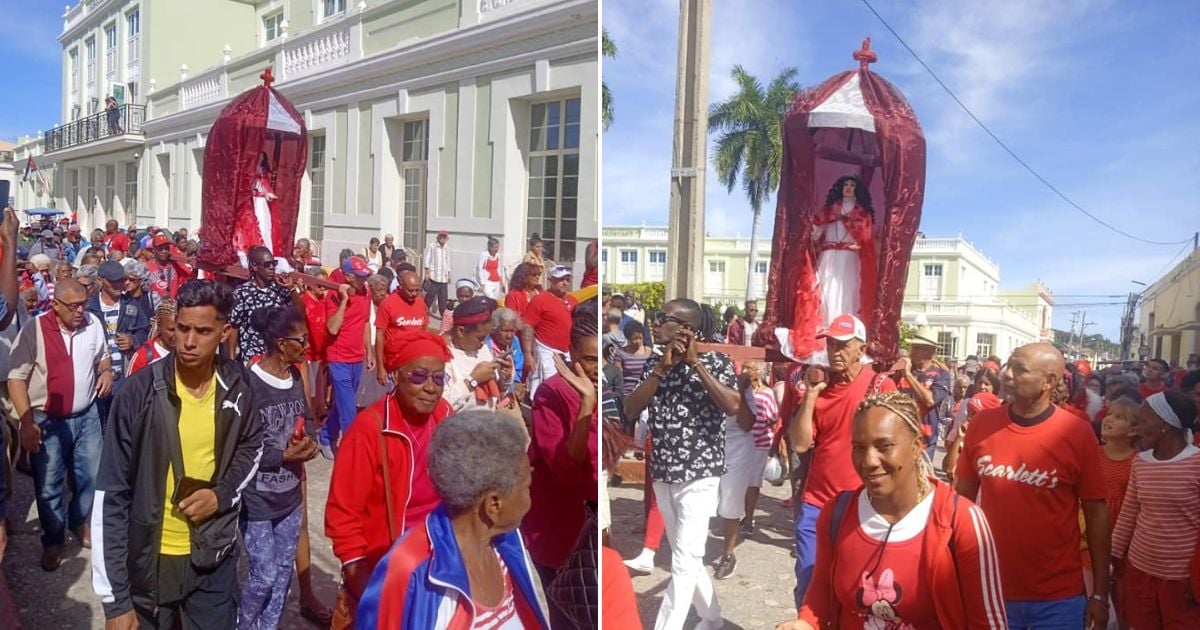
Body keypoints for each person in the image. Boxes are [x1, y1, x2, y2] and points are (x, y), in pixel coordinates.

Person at [92, 280, 263, 629]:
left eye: (202, 331)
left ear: (224, 332)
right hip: (152, 561)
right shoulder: (138, 394)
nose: (188, 341)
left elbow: (252, 445)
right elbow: (110, 496)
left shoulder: (238, 386)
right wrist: (115, 601)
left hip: (213, 557)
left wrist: (222, 494)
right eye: (183, 328)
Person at [776, 392, 1007, 630]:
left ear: (917, 446)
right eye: (859, 447)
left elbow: (987, 623)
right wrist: (806, 622)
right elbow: (822, 586)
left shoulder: (960, 521)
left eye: (884, 446)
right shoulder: (837, 514)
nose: (869, 461)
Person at [955, 342, 1110, 630]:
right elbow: (960, 502)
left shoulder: (1077, 433)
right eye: (1009, 365)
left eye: (1019, 369)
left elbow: (1096, 511)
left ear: (1049, 381)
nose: (1007, 375)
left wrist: (1100, 593)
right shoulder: (981, 425)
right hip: (991, 590)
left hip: (1058, 599)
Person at [355, 410, 551, 629]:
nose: (530, 496)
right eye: (526, 487)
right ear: (493, 505)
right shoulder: (409, 570)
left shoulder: (505, 544)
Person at [324, 329, 454, 627]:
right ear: (397, 376)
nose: (431, 388)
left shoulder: (445, 417)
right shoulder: (370, 429)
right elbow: (343, 514)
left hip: (436, 566)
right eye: (419, 377)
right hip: (385, 568)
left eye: (439, 378)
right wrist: (363, 581)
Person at [623, 298, 739, 630]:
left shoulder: (716, 361)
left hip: (701, 474)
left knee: (685, 559)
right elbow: (631, 407)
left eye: (663, 318)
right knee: (684, 556)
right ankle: (713, 618)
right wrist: (663, 368)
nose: (655, 323)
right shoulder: (655, 364)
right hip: (663, 472)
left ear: (686, 328)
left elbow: (733, 405)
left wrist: (695, 365)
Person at [789, 313, 897, 607]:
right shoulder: (820, 389)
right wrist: (811, 396)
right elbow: (800, 444)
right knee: (809, 581)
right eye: (832, 344)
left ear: (861, 349)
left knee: (856, 588)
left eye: (843, 345)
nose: (834, 351)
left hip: (863, 505)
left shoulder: (880, 386)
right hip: (817, 503)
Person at [10, 279, 110, 571]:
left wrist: (106, 373)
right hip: (47, 420)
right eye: (73, 306)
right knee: (49, 485)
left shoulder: (93, 324)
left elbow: (102, 359)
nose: (80, 311)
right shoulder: (35, 329)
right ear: (56, 305)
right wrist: (27, 422)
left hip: (87, 416)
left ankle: (78, 522)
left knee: (91, 476)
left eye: (83, 304)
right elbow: (16, 378)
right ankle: (53, 539)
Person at [239, 305, 320, 630]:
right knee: (264, 573)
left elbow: (309, 420)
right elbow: (239, 447)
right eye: (301, 340)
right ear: (280, 342)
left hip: (290, 497)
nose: (307, 345)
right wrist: (281, 457)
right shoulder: (248, 382)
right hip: (258, 499)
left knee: (284, 571)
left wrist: (310, 445)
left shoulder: (298, 376)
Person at [524, 299, 599, 625]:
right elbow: (566, 472)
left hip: (594, 529)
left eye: (601, 359)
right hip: (560, 528)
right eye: (588, 359)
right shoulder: (551, 394)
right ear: (570, 353)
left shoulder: (605, 390)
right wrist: (585, 405)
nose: (596, 368)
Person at [1109, 391, 1200, 629]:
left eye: (1143, 421)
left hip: (1183, 580)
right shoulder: (1141, 462)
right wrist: (1110, 559)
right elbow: (1129, 514)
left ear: (1165, 424)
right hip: (1139, 572)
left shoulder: (1196, 463)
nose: (1137, 428)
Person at [785, 175, 878, 360]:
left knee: (847, 293)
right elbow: (817, 232)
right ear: (840, 187)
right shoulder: (829, 211)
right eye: (846, 184)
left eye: (852, 185)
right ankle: (825, 330)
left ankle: (845, 332)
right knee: (824, 290)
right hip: (829, 256)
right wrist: (811, 228)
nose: (849, 188)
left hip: (849, 259)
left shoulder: (862, 213)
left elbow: (866, 238)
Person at [321, 256, 374, 457]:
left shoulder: (366, 292)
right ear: (348, 277)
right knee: (349, 409)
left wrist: (368, 350)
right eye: (359, 277)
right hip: (338, 357)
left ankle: (326, 436)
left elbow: (365, 323)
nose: (364, 280)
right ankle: (354, 452)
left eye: (365, 275)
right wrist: (344, 300)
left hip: (356, 357)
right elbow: (332, 328)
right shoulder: (333, 296)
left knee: (344, 403)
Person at [87, 261, 151, 420]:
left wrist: (133, 340)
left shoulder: (132, 305)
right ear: (101, 281)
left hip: (124, 377)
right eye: (113, 281)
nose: (119, 285)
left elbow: (146, 332)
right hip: (95, 378)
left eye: (121, 280)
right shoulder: (89, 307)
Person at [228, 246, 300, 364]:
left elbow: (299, 313)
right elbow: (234, 326)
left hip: (277, 359)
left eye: (274, 263)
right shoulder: (242, 293)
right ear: (255, 266)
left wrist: (291, 289)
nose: (272, 268)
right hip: (252, 360)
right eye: (267, 264)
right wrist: (231, 359)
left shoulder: (280, 291)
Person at [895, 326, 951, 460]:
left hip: (925, 442)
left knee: (921, 479)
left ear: (930, 352)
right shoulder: (901, 372)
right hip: (901, 437)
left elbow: (930, 400)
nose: (911, 351)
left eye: (917, 348)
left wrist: (908, 375)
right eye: (913, 347)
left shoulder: (942, 375)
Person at [523, 265, 579, 396]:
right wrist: (527, 354)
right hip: (547, 352)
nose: (564, 282)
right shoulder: (540, 300)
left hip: (569, 353)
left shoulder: (574, 301)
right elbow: (527, 326)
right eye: (560, 279)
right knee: (547, 390)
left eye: (567, 279)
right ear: (551, 280)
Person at [373, 262, 428, 384]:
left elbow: (424, 331)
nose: (414, 294)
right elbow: (379, 336)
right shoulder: (387, 304)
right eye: (410, 290)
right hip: (394, 364)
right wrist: (380, 368)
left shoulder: (421, 303)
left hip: (415, 362)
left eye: (417, 290)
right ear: (401, 285)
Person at [127, 300, 177, 376]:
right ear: (159, 326)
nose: (177, 334)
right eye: (171, 330)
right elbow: (131, 386)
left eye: (181, 328)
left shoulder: (188, 352)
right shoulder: (142, 357)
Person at [145, 233, 191, 303]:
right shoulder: (146, 267)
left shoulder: (174, 264)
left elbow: (189, 274)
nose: (164, 251)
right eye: (160, 248)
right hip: (155, 307)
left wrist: (176, 259)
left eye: (166, 248)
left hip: (172, 306)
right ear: (154, 250)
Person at [422, 230, 452, 318]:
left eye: (444, 237)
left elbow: (448, 261)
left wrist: (449, 274)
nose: (442, 239)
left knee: (443, 298)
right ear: (438, 238)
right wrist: (427, 273)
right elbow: (427, 259)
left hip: (443, 278)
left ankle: (443, 315)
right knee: (430, 296)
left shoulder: (447, 248)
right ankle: (423, 312)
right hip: (434, 276)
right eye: (441, 237)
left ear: (447, 239)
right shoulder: (433, 246)